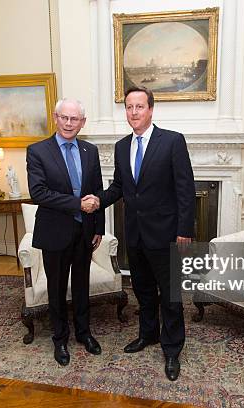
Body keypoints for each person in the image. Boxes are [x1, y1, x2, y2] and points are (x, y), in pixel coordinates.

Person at [88, 86, 195, 381]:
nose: (134, 112)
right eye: (129, 107)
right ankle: (148, 334)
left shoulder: (172, 141)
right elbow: (120, 187)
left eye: (139, 107)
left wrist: (185, 229)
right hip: (134, 233)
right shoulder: (122, 146)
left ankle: (172, 349)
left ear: (150, 109)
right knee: (143, 290)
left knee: (170, 294)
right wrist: (98, 201)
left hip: (166, 233)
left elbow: (185, 189)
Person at [26, 98, 103, 366]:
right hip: (54, 233)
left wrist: (99, 227)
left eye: (75, 119)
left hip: (85, 232)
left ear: (83, 122)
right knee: (57, 289)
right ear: (55, 117)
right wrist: (76, 203)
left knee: (81, 286)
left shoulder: (90, 151)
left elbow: (97, 191)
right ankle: (60, 339)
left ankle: (84, 333)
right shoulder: (37, 151)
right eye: (64, 118)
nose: (69, 123)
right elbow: (39, 193)